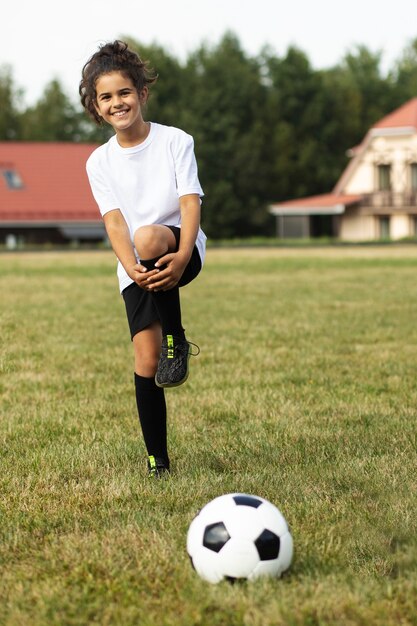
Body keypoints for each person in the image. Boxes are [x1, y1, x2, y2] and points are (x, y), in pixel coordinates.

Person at [79, 40, 206, 478]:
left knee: (150, 235)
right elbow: (114, 222)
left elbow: (190, 203)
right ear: (96, 107)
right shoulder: (99, 162)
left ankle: (177, 337)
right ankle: (158, 461)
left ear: (142, 93)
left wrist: (184, 251)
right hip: (134, 262)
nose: (118, 103)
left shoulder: (175, 141)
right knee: (146, 360)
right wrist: (128, 266)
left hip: (179, 246)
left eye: (124, 93)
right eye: (106, 97)